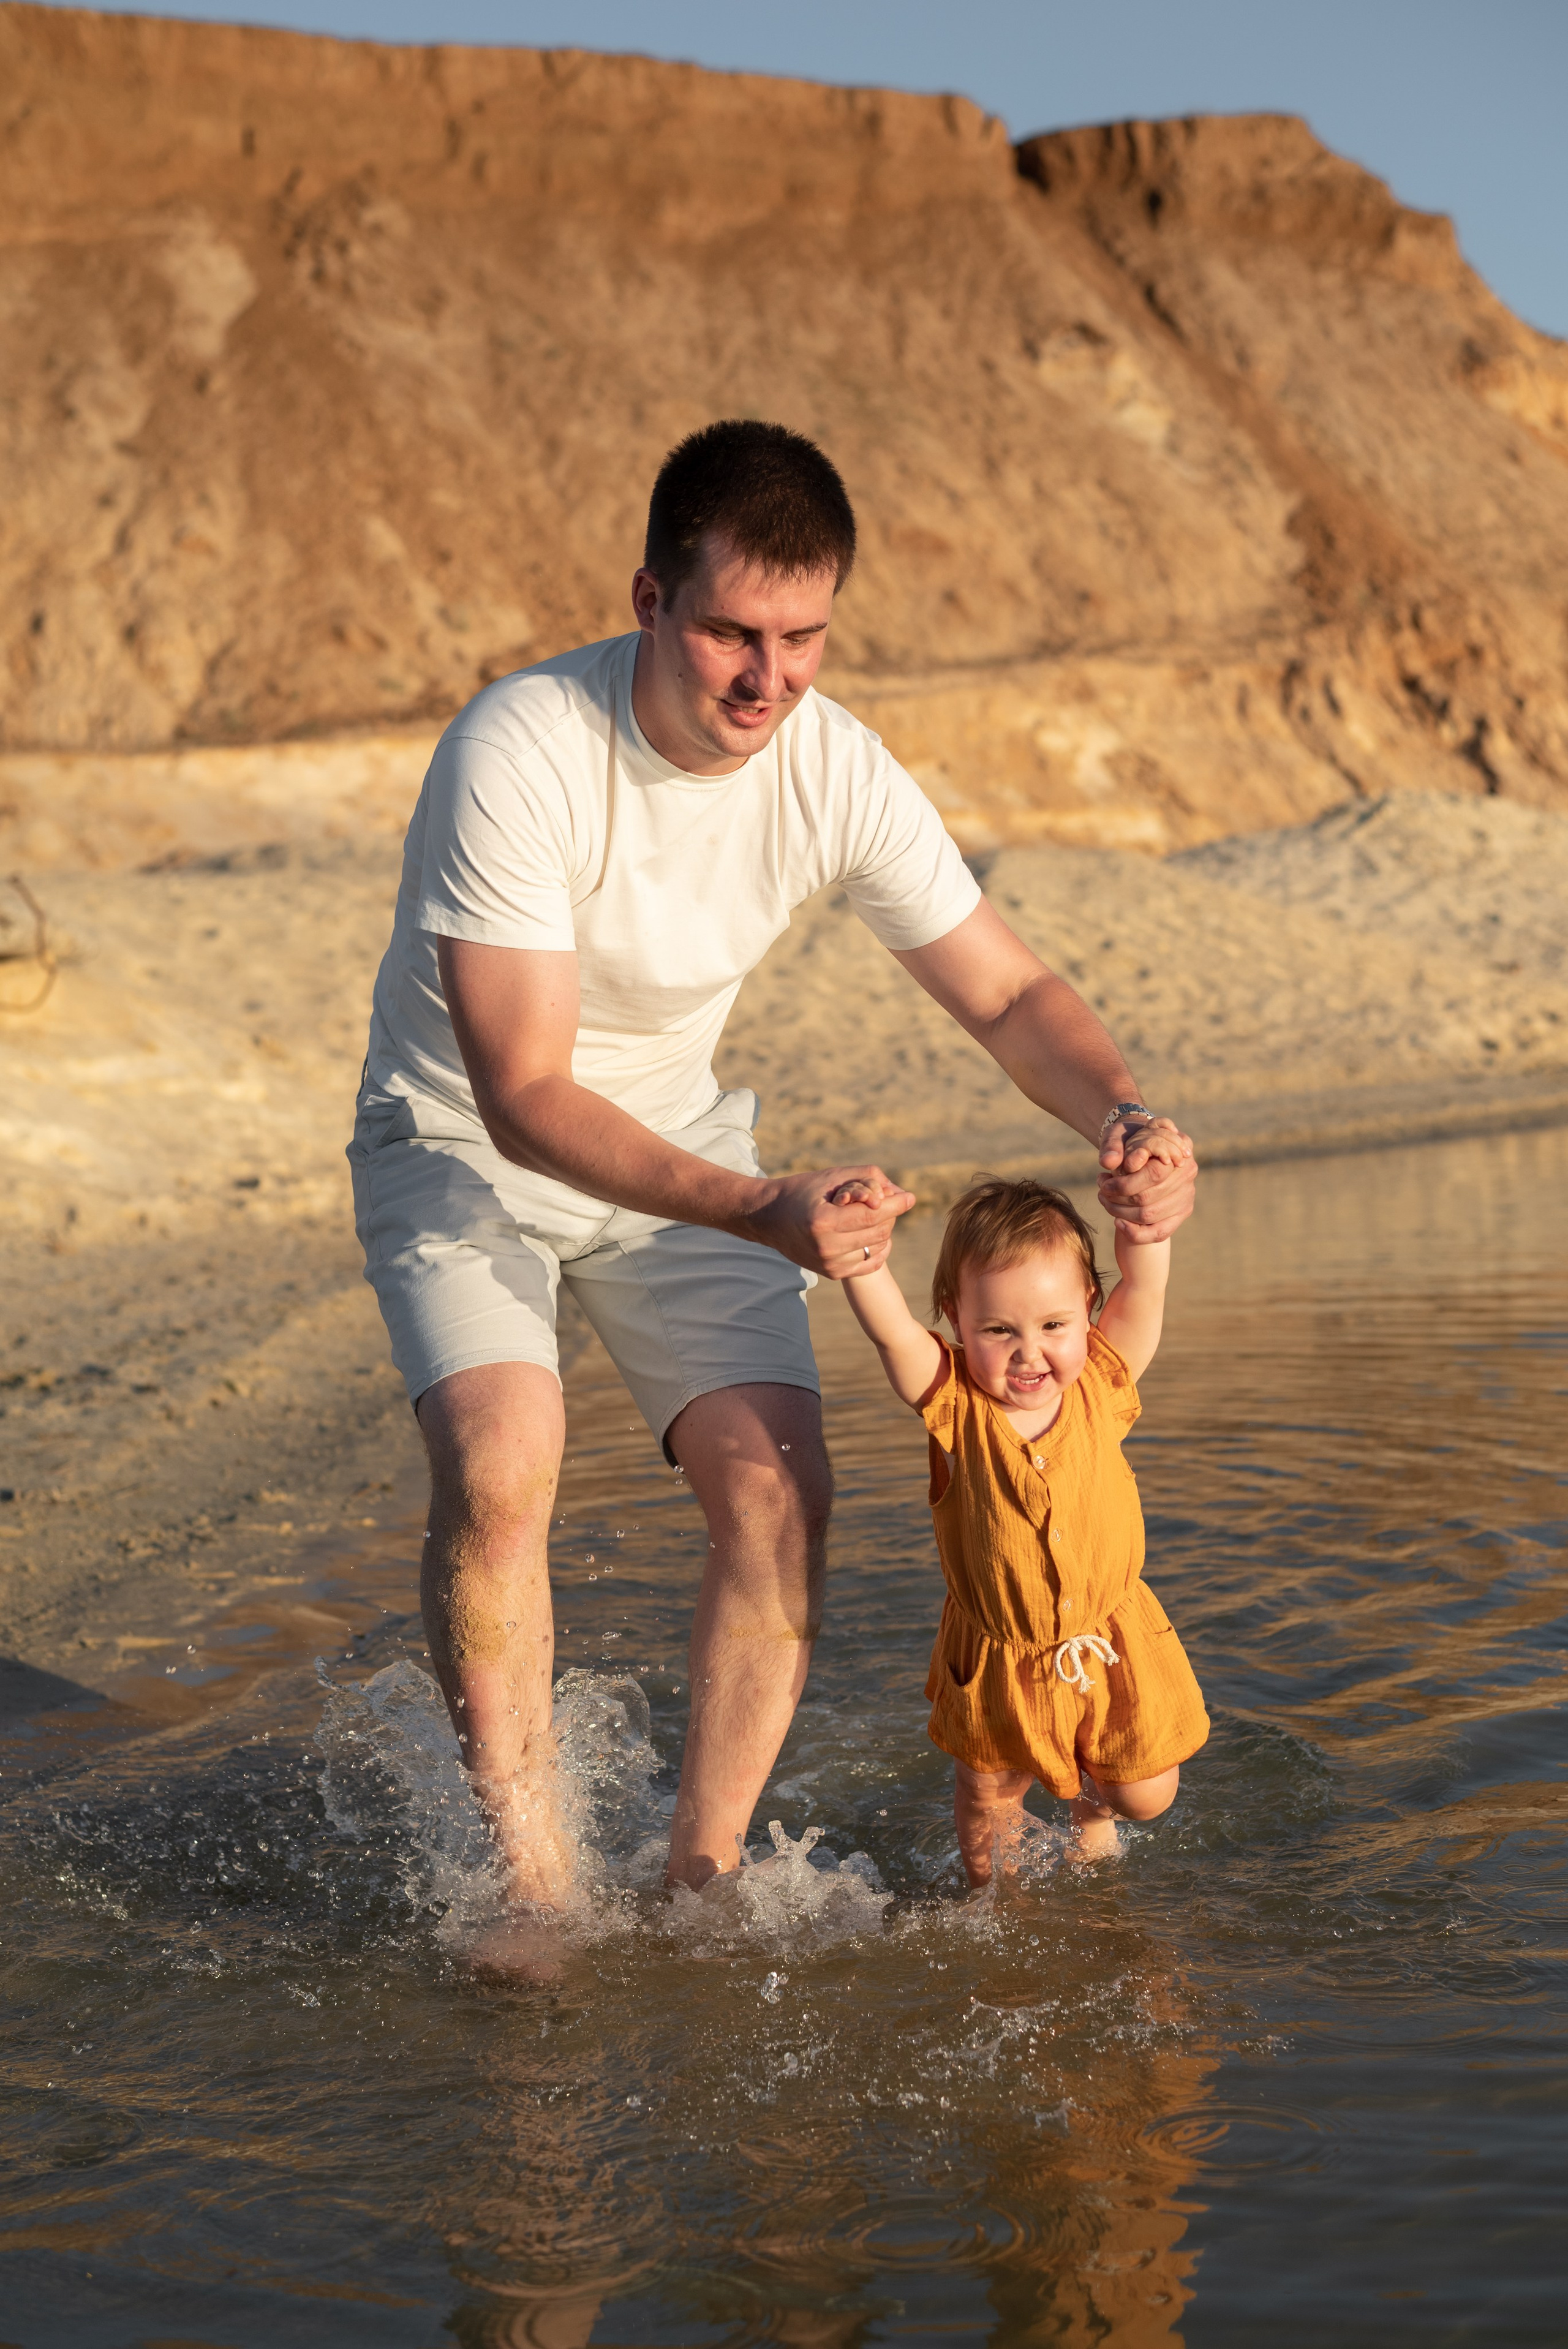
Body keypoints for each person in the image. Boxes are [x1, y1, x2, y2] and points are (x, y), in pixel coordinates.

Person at [348, 418, 1197, 1921]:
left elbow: (1003, 993)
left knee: (781, 1491)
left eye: (801, 637)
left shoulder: (829, 764)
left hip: (683, 1138)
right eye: (733, 630)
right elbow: (524, 1088)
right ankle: (532, 1885)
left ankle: (697, 1872)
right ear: (650, 602)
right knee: (501, 1463)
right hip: (465, 1147)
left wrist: (1123, 1116)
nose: (767, 677)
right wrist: (759, 1205)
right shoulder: (520, 748)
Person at [840, 1172, 1208, 1876]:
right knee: (989, 1800)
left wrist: (1142, 1226)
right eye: (997, 1330)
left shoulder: (1102, 1380)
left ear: (1087, 1308)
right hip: (999, 1653)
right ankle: (993, 1907)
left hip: (1108, 1636)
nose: (1028, 1352)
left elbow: (1146, 1291)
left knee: (1146, 1795)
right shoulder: (953, 1405)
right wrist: (864, 1258)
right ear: (954, 1317)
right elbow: (891, 1334)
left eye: (1052, 1326)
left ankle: (1090, 1805)